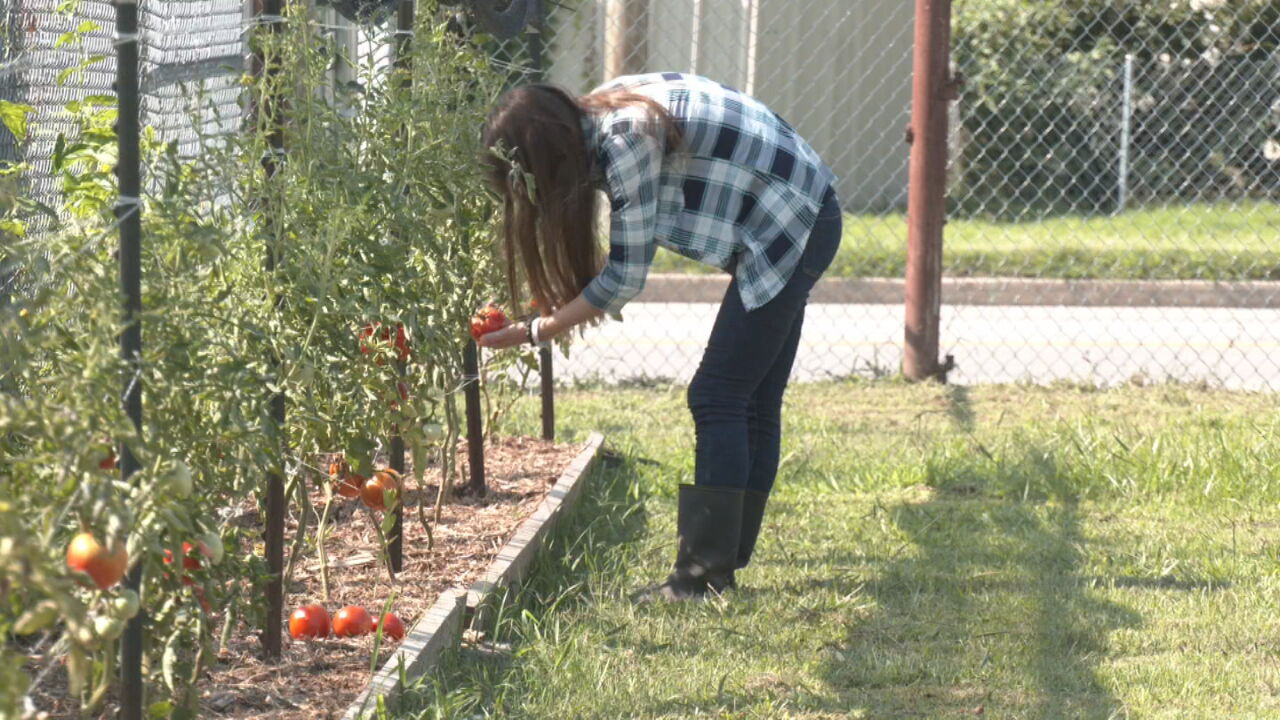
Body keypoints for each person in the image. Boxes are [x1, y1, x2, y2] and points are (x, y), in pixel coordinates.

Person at [477, 72, 842, 600]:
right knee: (750, 398)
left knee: (718, 395)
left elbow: (625, 277)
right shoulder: (602, 114)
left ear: (549, 159)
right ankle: (721, 565)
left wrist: (539, 329)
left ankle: (701, 578)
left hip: (793, 224)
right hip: (801, 213)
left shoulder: (625, 141)